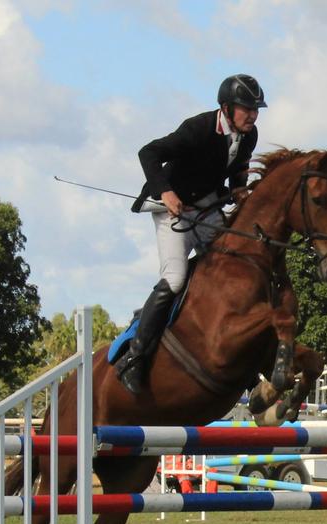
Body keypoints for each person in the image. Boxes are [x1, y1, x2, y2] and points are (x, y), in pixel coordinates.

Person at [112, 73, 266, 394]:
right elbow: (148, 153)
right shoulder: (197, 128)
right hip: (174, 210)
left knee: (235, 264)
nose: (252, 115)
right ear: (226, 108)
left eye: (256, 109)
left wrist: (239, 192)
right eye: (246, 109)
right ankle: (136, 357)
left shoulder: (248, 136)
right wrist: (166, 193)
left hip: (208, 208)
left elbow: (237, 171)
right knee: (176, 278)